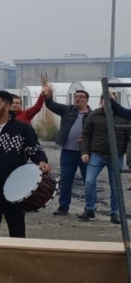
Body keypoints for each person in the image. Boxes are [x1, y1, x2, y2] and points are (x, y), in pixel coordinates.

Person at [0, 91, 51, 237]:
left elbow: (35, 150)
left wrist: (42, 161)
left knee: (17, 229)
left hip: (15, 188)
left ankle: (18, 259)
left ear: (7, 106)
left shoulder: (23, 129)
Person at [80, 95, 130, 223]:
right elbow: (86, 134)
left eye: (112, 100)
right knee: (89, 181)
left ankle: (115, 213)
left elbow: (128, 138)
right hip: (97, 154)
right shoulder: (94, 115)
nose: (109, 102)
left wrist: (126, 158)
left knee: (115, 185)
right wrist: (85, 152)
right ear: (101, 101)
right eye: (106, 99)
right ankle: (90, 208)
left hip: (116, 156)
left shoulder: (123, 117)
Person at [45, 88, 91, 216]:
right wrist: (48, 97)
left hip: (85, 153)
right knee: (66, 179)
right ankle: (63, 207)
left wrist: (89, 138)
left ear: (87, 99)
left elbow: (99, 132)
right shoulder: (67, 110)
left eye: (81, 96)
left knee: (88, 180)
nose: (78, 98)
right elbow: (51, 105)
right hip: (67, 152)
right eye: (76, 96)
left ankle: (89, 208)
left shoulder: (92, 115)